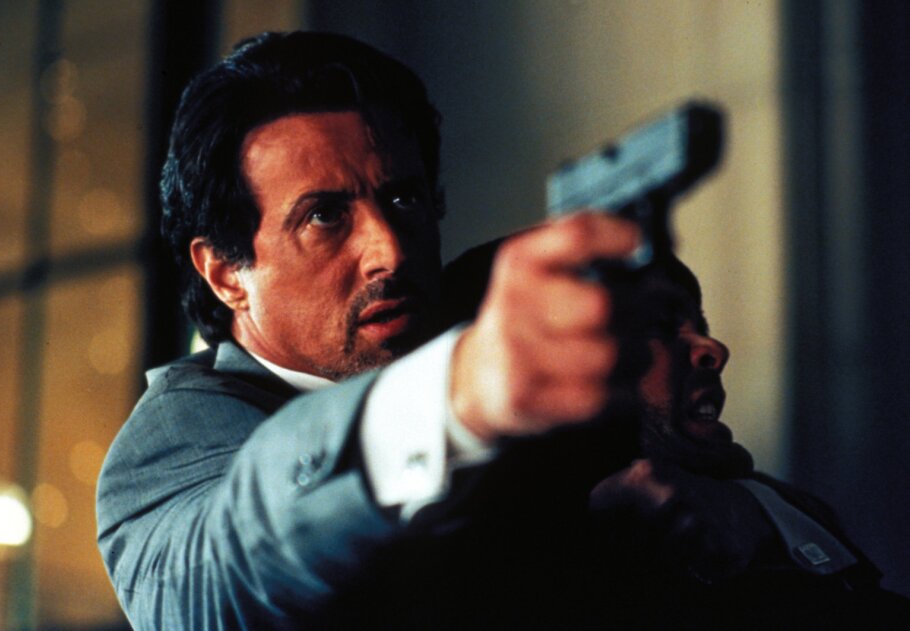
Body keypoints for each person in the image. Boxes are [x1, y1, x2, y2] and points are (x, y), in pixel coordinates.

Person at [96, 30, 904, 629]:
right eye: (324, 216)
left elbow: (719, 477)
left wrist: (743, 517)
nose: (388, 249)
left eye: (404, 199)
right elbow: (221, 576)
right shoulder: (169, 446)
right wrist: (452, 397)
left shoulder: (482, 318)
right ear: (225, 271)